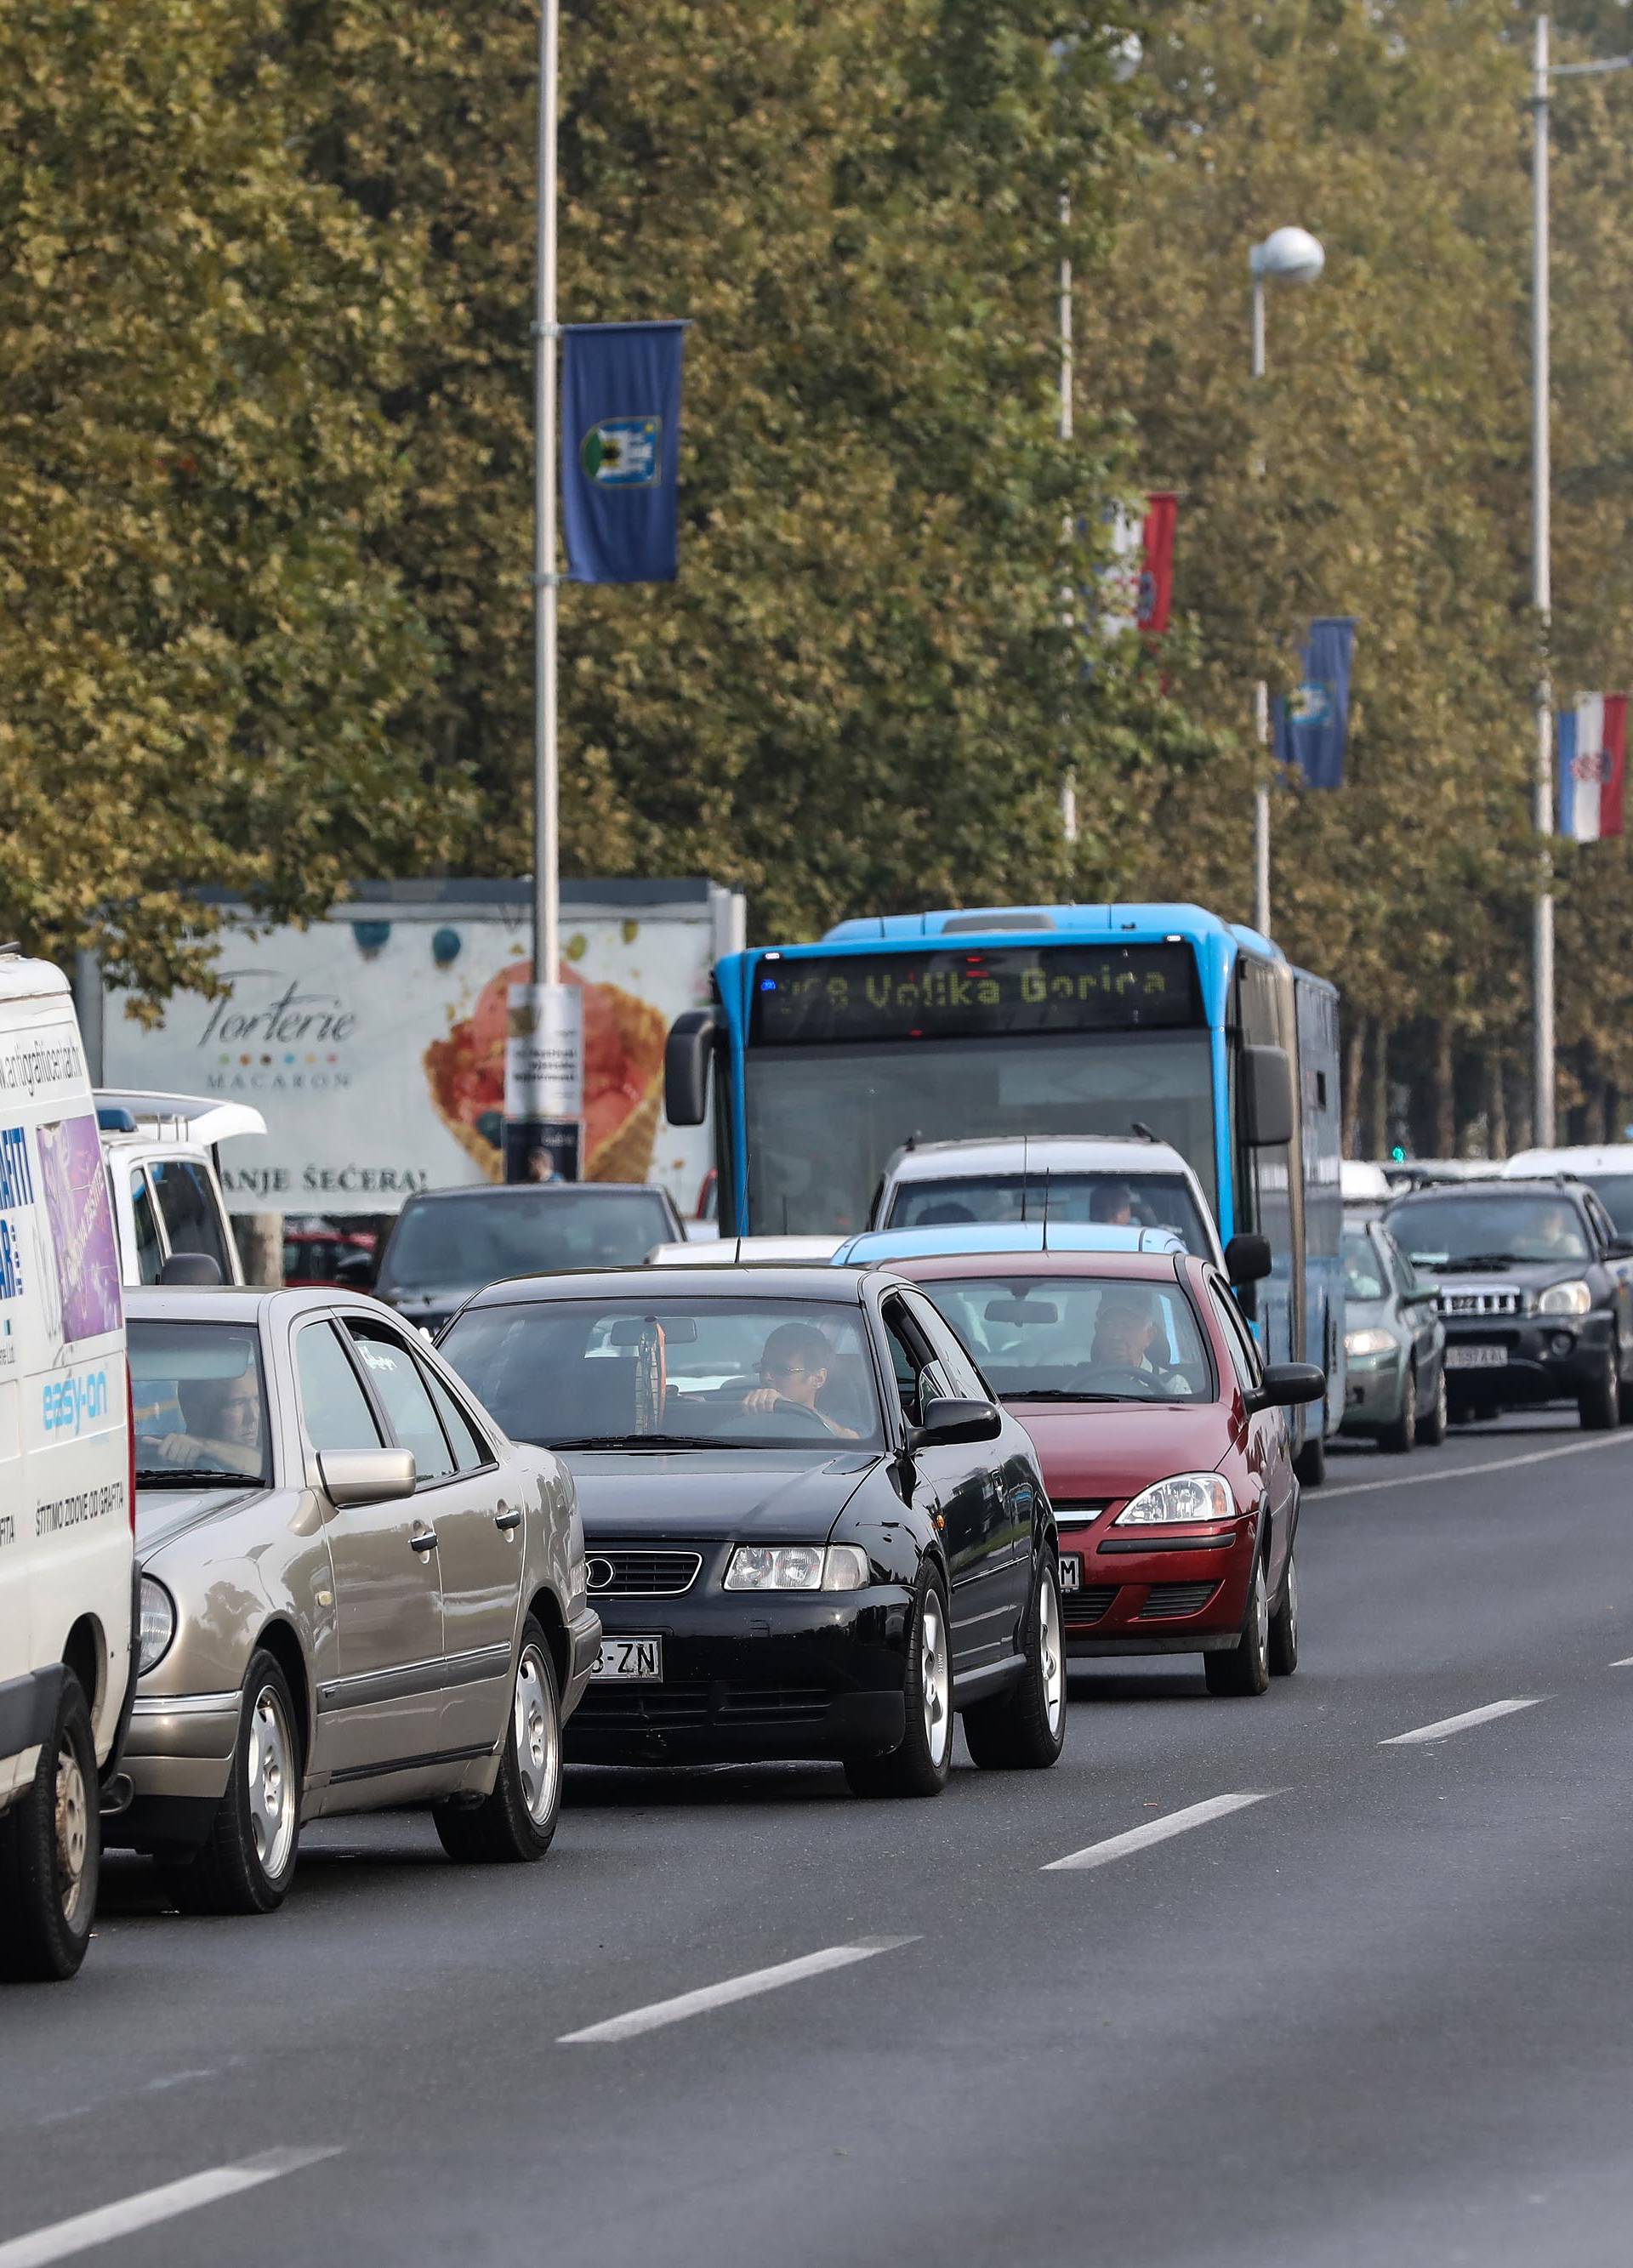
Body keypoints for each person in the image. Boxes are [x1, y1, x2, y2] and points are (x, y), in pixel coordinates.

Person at [742, 1321, 858, 1436]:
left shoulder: (840, 1419)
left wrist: (791, 1407)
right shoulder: (741, 1411)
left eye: (782, 1370)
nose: (767, 1376)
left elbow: (855, 1440)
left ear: (818, 1379)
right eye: (764, 1367)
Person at [147, 1367, 265, 1479]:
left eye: (257, 1400)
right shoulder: (154, 1465)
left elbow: (262, 1464)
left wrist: (205, 1446)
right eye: (237, 1403)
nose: (254, 1416)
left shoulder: (275, 1451)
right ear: (194, 1415)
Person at [1082, 1293, 1187, 1395]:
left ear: (1150, 1336)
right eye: (1108, 1325)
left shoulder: (1172, 1386)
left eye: (1127, 1326)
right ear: (1097, 1330)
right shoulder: (1075, 1383)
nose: (1116, 1336)